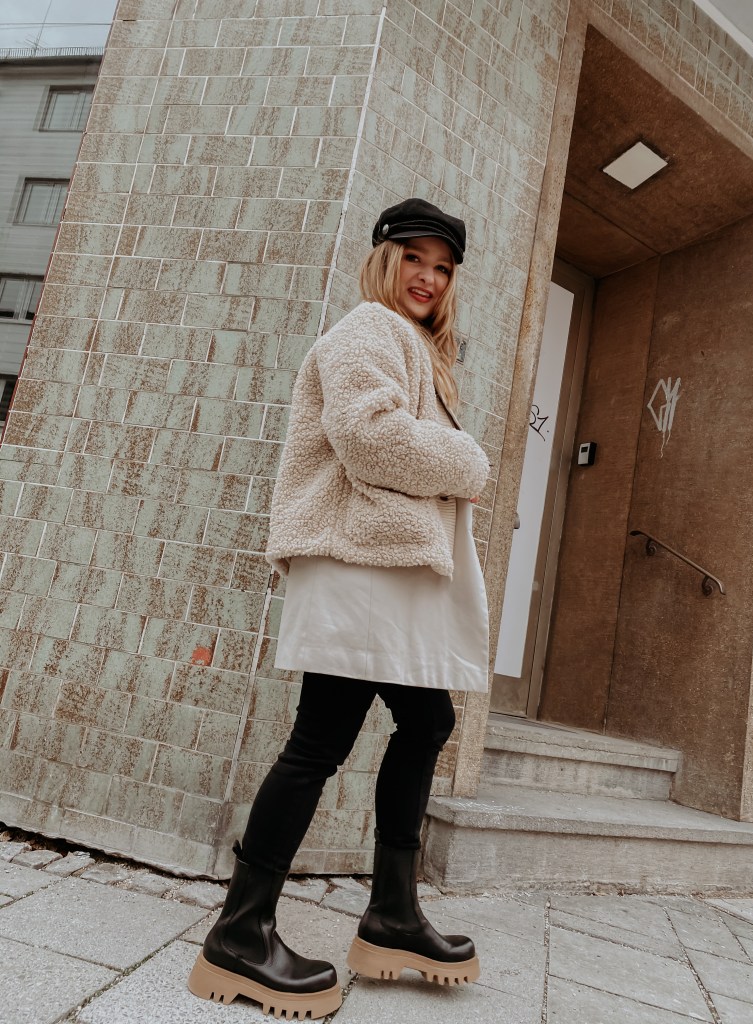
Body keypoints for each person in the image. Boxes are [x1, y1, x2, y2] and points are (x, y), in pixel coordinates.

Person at [188, 198, 491, 1019]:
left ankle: (392, 914)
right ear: (384, 259)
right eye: (414, 258)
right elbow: (370, 438)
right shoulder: (368, 327)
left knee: (425, 722)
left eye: (443, 267)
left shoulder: (413, 345)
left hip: (380, 568)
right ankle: (240, 935)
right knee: (321, 739)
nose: (428, 277)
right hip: (358, 563)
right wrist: (469, 461)